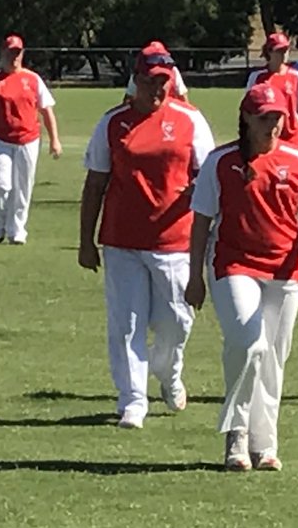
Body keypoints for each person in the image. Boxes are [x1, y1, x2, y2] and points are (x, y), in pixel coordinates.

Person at [186, 83, 298, 472]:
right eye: (264, 117)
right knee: (248, 343)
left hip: (286, 270)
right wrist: (194, 276)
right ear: (247, 119)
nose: (272, 125)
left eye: (277, 117)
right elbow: (201, 221)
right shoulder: (220, 162)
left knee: (272, 357)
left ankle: (264, 444)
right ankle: (236, 433)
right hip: (233, 265)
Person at [79, 43, 215, 429]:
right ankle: (132, 399)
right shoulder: (113, 123)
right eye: (151, 81)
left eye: (164, 82)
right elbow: (95, 183)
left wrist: (198, 199)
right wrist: (86, 240)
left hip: (175, 240)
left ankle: (168, 371)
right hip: (122, 240)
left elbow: (209, 176)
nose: (158, 89)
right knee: (126, 324)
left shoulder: (190, 120)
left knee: (177, 320)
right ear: (136, 80)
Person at [0, 33, 63, 245]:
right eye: (10, 52)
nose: (14, 57)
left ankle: (17, 229)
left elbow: (46, 110)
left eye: (17, 53)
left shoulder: (33, 79)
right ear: (3, 53)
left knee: (23, 186)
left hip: (28, 140)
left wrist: (54, 140)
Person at [247, 33, 298, 154]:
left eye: (286, 50)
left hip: (292, 137)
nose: (284, 54)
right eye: (279, 50)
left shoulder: (296, 77)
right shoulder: (257, 77)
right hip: (266, 136)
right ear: (269, 52)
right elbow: (249, 108)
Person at [123, 40, 188, 102]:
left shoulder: (173, 71)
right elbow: (128, 99)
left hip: (168, 107)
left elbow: (183, 97)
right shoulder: (140, 73)